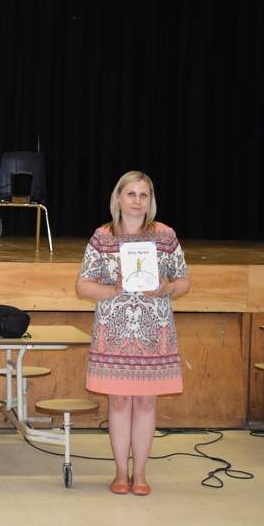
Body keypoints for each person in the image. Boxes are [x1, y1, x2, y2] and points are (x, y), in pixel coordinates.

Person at [75, 171, 191, 496]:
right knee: (118, 403)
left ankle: (139, 472)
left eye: (143, 195)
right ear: (118, 198)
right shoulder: (102, 237)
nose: (137, 201)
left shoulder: (166, 236)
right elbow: (82, 286)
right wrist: (113, 290)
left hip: (154, 334)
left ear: (150, 200)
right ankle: (120, 472)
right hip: (113, 333)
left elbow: (184, 280)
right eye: (131, 194)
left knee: (145, 403)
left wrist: (168, 288)